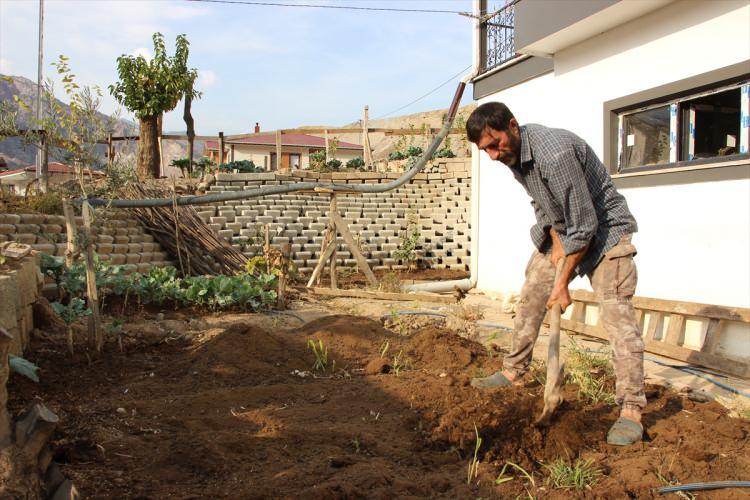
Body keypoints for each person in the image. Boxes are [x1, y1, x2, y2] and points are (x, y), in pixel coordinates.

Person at [465, 102, 645, 446]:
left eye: (493, 144)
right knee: (532, 293)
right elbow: (543, 205)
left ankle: (632, 410)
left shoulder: (554, 154)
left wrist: (562, 283)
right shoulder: (515, 157)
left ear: (512, 126)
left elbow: (587, 224)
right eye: (484, 149)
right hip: (567, 232)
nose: (490, 155)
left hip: (606, 235)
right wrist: (555, 241)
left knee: (618, 319)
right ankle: (513, 370)